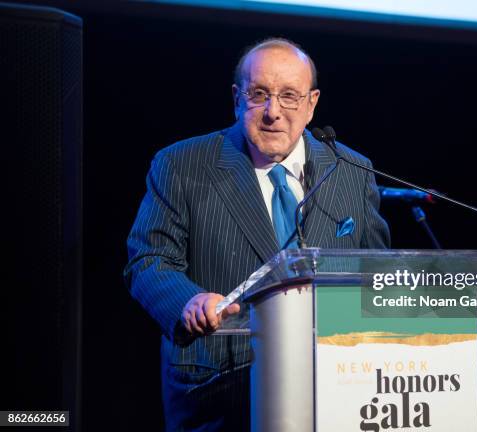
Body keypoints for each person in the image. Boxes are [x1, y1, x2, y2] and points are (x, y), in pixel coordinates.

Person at [124, 37, 390, 431]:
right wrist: (189, 301)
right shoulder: (182, 164)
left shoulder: (352, 170)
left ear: (312, 103)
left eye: (289, 97)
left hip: (334, 389)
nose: (273, 113)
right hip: (219, 388)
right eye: (259, 94)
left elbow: (376, 275)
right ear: (236, 98)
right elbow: (148, 261)